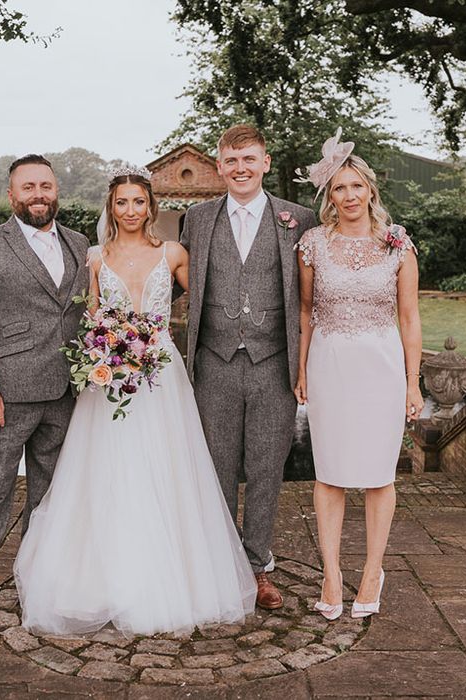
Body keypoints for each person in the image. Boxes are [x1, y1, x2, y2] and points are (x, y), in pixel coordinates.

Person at [13, 166, 256, 636]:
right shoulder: (95, 257)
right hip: (111, 378)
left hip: (162, 374)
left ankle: (176, 576)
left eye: (138, 202)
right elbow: (90, 317)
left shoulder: (173, 253)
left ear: (151, 207)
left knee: (167, 467)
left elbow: (206, 293)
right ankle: (104, 577)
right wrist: (104, 350)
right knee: (108, 469)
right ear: (112, 208)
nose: (130, 211)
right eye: (121, 203)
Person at [181, 125, 315, 609]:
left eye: (249, 159)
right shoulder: (196, 220)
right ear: (220, 166)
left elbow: (324, 276)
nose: (240, 168)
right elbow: (171, 277)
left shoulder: (298, 219)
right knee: (214, 469)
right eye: (231, 160)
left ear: (266, 162)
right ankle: (219, 567)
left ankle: (258, 566)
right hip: (213, 362)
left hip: (272, 364)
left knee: (264, 468)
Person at [0, 155, 91, 625]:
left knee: (51, 492)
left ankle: (39, 578)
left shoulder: (79, 243)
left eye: (46, 186)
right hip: (6, 396)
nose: (39, 194)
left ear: (57, 191)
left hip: (66, 392)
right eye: (28, 187)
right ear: (12, 195)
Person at [294, 130, 423, 619]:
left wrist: (413, 382)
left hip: (381, 367)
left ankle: (372, 570)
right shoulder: (312, 245)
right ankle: (330, 573)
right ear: (330, 197)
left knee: (376, 475)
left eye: (355, 187)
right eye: (338, 189)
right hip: (330, 365)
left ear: (370, 191)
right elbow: (306, 312)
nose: (348, 197)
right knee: (329, 473)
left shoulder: (397, 244)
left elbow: (409, 318)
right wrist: (302, 368)